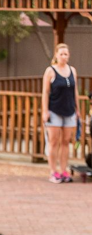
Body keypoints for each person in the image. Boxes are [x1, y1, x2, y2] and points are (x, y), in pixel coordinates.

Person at [42, 43, 80, 184]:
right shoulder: (50, 71)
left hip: (69, 110)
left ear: (68, 56)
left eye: (66, 54)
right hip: (54, 110)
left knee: (65, 142)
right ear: (56, 55)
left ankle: (64, 170)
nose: (64, 56)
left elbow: (75, 91)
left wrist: (78, 109)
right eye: (61, 54)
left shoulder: (73, 71)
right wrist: (45, 111)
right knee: (54, 142)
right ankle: (53, 171)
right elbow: (45, 92)